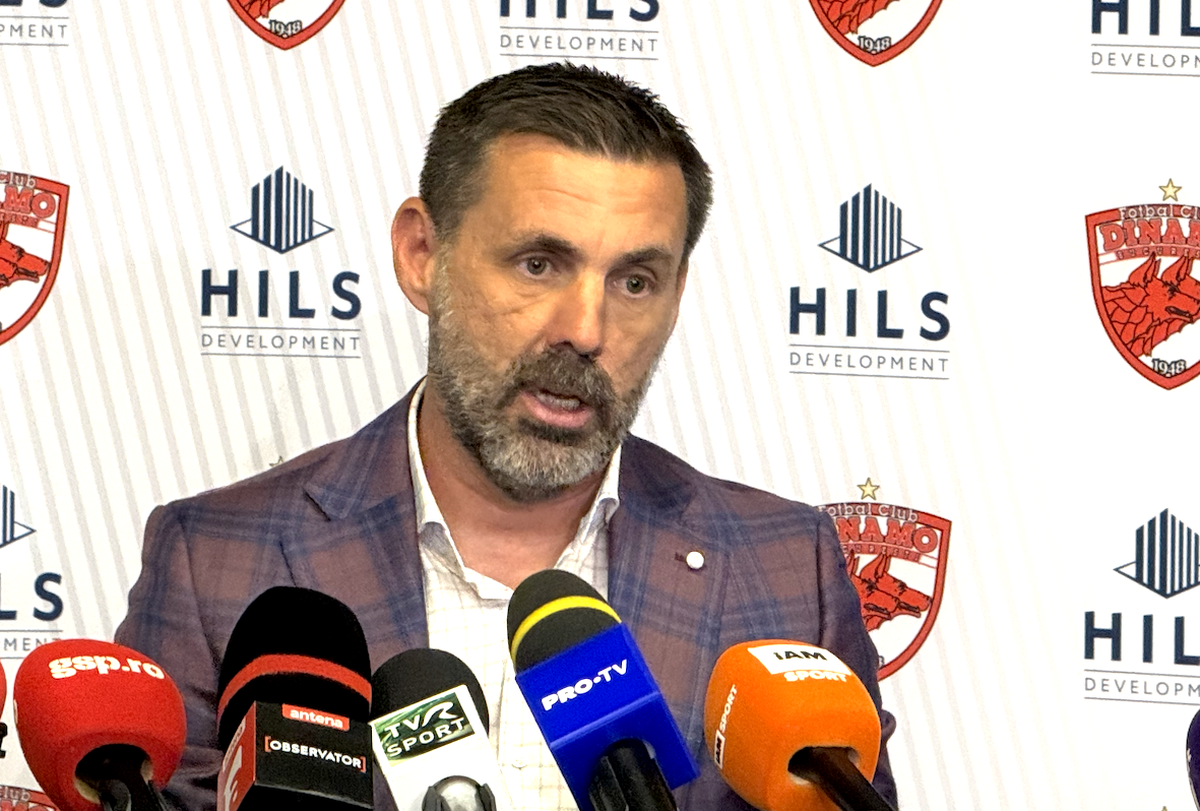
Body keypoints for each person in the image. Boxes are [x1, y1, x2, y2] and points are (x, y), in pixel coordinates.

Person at [116, 63, 897, 811]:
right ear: (422, 256)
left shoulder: (787, 574)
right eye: (538, 264)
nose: (585, 330)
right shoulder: (215, 562)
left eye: (634, 281)